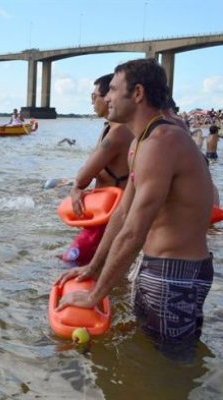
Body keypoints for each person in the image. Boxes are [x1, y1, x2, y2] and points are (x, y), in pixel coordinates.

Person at [56, 58, 214, 345]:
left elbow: (134, 230)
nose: (107, 97)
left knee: (170, 367)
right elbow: (120, 216)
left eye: (113, 90)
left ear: (138, 93)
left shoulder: (162, 142)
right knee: (148, 354)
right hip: (158, 268)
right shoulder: (142, 141)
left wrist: (95, 296)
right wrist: (93, 269)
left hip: (174, 274)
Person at [61, 73, 134, 266]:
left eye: (94, 97)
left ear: (109, 98)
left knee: (69, 262)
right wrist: (76, 185)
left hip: (111, 219)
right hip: (104, 215)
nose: (92, 102)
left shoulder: (118, 134)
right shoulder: (108, 129)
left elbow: (83, 177)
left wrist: (77, 186)